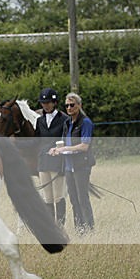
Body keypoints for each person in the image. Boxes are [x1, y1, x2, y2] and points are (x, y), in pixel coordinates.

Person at [49, 92, 96, 234]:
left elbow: (84, 146)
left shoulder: (85, 122)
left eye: (72, 105)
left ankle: (90, 228)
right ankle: (79, 229)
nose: (69, 108)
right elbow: (64, 143)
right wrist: (56, 149)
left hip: (82, 165)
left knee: (83, 199)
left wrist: (65, 148)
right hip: (68, 167)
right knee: (74, 200)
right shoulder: (67, 123)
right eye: (67, 106)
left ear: (79, 105)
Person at [35, 88, 69, 227]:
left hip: (57, 161)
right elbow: (37, 140)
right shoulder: (40, 120)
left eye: (48, 102)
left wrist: (60, 150)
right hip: (43, 162)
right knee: (47, 197)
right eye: (43, 103)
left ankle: (60, 225)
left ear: (55, 102)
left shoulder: (64, 119)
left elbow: (67, 139)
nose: (46, 105)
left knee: (58, 196)